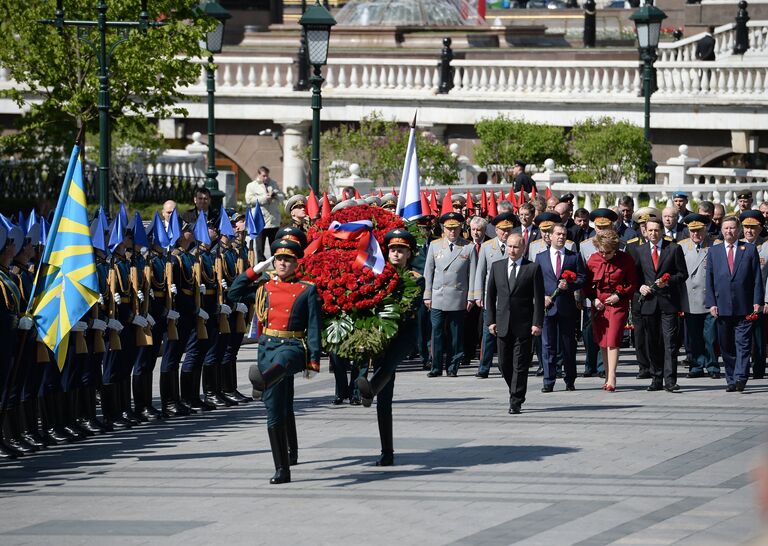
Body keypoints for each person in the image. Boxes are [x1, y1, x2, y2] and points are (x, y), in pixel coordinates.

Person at [232, 239, 320, 484]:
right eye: (279, 258)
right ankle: (282, 468)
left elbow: (313, 326)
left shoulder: (307, 289)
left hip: (292, 346)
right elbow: (233, 292)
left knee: (282, 364)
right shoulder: (264, 287)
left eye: (288, 259)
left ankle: (262, 381)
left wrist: (313, 359)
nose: (282, 263)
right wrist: (255, 269)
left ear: (295, 263)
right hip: (267, 347)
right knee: (275, 411)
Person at [356, 228, 424, 466]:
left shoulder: (417, 278)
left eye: (401, 250)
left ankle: (369, 390)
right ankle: (387, 451)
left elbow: (408, 306)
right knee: (386, 397)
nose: (396, 254)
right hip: (380, 334)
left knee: (389, 366)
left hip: (403, 335)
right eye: (393, 249)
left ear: (409, 253)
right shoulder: (376, 275)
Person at [486, 233, 544, 414]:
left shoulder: (532, 268)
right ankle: (514, 387)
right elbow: (490, 296)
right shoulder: (497, 267)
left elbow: (539, 299)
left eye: (516, 247)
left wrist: (537, 323)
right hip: (502, 323)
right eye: (510, 246)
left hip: (524, 324)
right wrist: (491, 320)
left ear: (523, 248)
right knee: (504, 363)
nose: (512, 250)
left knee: (520, 363)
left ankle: (516, 399)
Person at [705, 216, 763, 393]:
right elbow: (710, 280)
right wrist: (711, 303)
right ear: (721, 231)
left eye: (732, 228)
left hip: (744, 306)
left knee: (743, 344)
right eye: (726, 228)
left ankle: (741, 376)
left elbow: (757, 279)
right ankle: (730, 378)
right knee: (726, 345)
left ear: (738, 230)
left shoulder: (749, 250)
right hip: (722, 307)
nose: (729, 231)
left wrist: (757, 301)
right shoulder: (714, 252)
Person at [630, 218, 688, 392]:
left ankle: (670, 380)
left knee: (669, 342)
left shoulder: (673, 248)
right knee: (652, 342)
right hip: (648, 303)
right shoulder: (639, 251)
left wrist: (668, 282)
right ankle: (656, 378)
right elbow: (635, 277)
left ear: (662, 231)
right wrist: (640, 286)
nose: (653, 233)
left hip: (668, 302)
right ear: (645, 232)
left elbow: (682, 274)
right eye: (650, 230)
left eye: (657, 230)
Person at [423, 212, 477, 378]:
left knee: (455, 334)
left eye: (455, 228)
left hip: (458, 296)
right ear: (443, 229)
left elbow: (472, 274)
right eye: (449, 228)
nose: (452, 232)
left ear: (461, 228)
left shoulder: (468, 247)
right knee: (437, 332)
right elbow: (428, 272)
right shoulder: (435, 245)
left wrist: (471, 296)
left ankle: (453, 366)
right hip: (438, 295)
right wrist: (427, 294)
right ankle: (436, 366)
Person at [583, 230, 638, 392]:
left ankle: (612, 376)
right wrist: (594, 299)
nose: (604, 255)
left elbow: (632, 283)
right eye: (602, 251)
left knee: (613, 339)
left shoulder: (625, 259)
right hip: (599, 304)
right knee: (603, 340)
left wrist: (619, 295)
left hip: (617, 303)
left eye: (608, 252)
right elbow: (587, 285)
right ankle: (607, 375)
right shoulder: (593, 259)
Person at [536, 224, 585, 392]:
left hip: (566, 306)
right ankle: (548, 381)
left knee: (568, 345)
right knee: (548, 345)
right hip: (547, 306)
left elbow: (582, 278)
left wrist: (569, 285)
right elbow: (537, 281)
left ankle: (570, 379)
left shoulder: (573, 256)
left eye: (564, 234)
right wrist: (542, 297)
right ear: (550, 236)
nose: (561, 237)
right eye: (558, 234)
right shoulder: (540, 257)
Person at [474, 212, 517, 378]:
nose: (505, 233)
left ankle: (505, 365)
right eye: (501, 230)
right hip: (491, 297)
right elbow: (481, 272)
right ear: (496, 230)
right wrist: (478, 295)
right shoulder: (487, 246)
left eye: (508, 230)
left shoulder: (517, 245)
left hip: (511, 297)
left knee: (508, 333)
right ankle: (483, 367)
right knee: (488, 333)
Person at [679, 214, 720, 379]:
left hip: (709, 298)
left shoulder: (715, 246)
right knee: (694, 336)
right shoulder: (682, 247)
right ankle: (696, 366)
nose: (695, 234)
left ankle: (712, 366)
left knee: (710, 336)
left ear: (706, 229)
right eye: (692, 231)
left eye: (699, 231)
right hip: (690, 298)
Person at [740, 210, 768, 380]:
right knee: (740, 336)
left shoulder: (765, 246)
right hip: (740, 299)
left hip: (759, 299)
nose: (749, 231)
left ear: (760, 228)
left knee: (758, 338)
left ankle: (758, 368)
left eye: (753, 227)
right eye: (746, 227)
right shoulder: (737, 245)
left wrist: (766, 300)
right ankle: (741, 368)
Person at [244, 166, 285, 261]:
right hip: (260, 222)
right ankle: (261, 269)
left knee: (274, 246)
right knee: (259, 248)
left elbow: (282, 196)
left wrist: (275, 195)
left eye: (267, 176)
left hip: (273, 221)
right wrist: (264, 198)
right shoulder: (252, 185)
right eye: (264, 176)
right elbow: (249, 200)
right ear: (259, 175)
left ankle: (276, 265)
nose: (266, 178)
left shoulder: (273, 183)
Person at [463, 216, 488, 368]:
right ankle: (467, 354)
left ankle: (483, 355)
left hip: (485, 291)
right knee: (468, 325)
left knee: (482, 326)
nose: (476, 233)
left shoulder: (490, 244)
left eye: (479, 230)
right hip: (468, 291)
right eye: (473, 229)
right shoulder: (465, 245)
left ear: (484, 230)